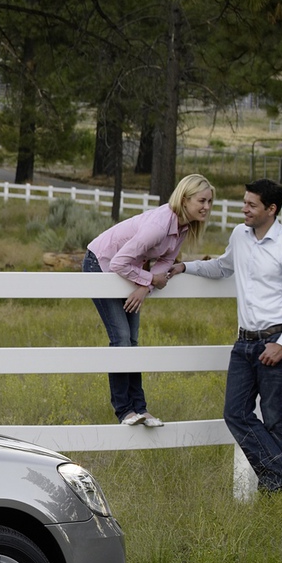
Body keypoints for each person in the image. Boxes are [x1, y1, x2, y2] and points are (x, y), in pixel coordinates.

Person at [165, 178, 282, 494]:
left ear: (271, 209)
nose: (244, 209)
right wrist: (185, 268)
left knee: (276, 422)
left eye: (251, 205)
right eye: (244, 202)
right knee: (235, 413)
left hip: (275, 341)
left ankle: (278, 492)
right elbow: (223, 267)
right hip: (244, 343)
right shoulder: (240, 235)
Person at [84, 174, 217, 426]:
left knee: (132, 340)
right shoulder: (159, 225)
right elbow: (118, 262)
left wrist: (144, 287)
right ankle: (124, 411)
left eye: (209, 201)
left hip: (130, 270)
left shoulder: (183, 227)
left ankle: (140, 409)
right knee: (121, 337)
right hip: (100, 264)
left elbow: (166, 261)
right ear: (185, 199)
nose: (207, 207)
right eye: (202, 201)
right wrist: (149, 279)